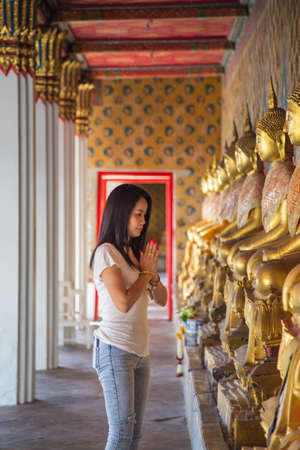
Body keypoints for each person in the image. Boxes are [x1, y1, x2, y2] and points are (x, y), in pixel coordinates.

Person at [90, 184, 167, 450]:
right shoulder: (106, 253)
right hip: (115, 349)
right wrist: (145, 274)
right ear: (121, 213)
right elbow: (122, 302)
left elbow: (162, 299)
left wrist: (152, 275)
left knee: (134, 435)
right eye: (138, 214)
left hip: (140, 352)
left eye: (145, 215)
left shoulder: (134, 254)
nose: (143, 221)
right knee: (121, 434)